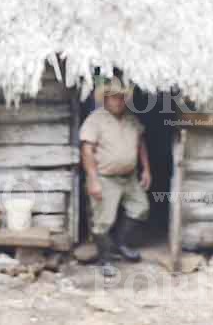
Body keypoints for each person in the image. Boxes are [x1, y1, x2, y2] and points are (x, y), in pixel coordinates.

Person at [79, 77, 151, 277]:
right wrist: (93, 179)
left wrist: (146, 169)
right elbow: (87, 150)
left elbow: (140, 144)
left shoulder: (131, 119)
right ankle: (105, 259)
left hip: (130, 176)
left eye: (120, 98)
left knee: (140, 208)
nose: (117, 102)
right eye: (113, 98)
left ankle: (120, 242)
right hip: (105, 177)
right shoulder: (95, 120)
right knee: (103, 220)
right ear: (105, 100)